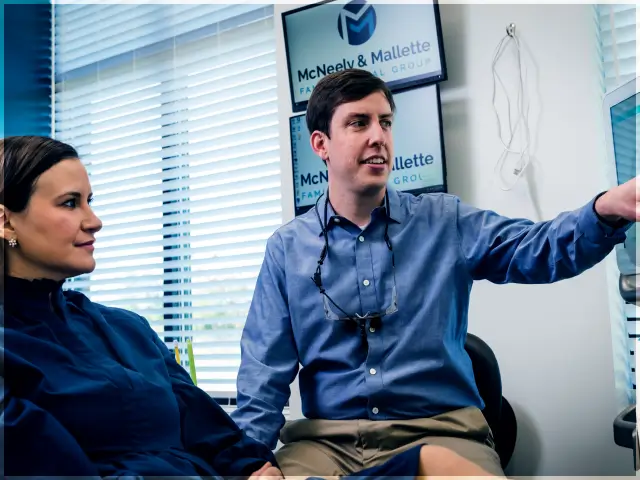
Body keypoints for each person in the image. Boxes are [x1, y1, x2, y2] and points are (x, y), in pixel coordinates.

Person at [0, 135, 500, 479]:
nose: (95, 220)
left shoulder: (125, 329)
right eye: (70, 203)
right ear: (6, 221)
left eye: (90, 200)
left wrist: (254, 468)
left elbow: (204, 423)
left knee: (436, 462)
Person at [231, 68, 638, 477]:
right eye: (359, 122)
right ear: (321, 144)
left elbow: (539, 249)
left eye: (385, 122)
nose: (379, 136)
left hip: (443, 435)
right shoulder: (286, 250)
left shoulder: (445, 221)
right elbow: (262, 377)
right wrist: (249, 463)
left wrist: (607, 209)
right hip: (326, 446)